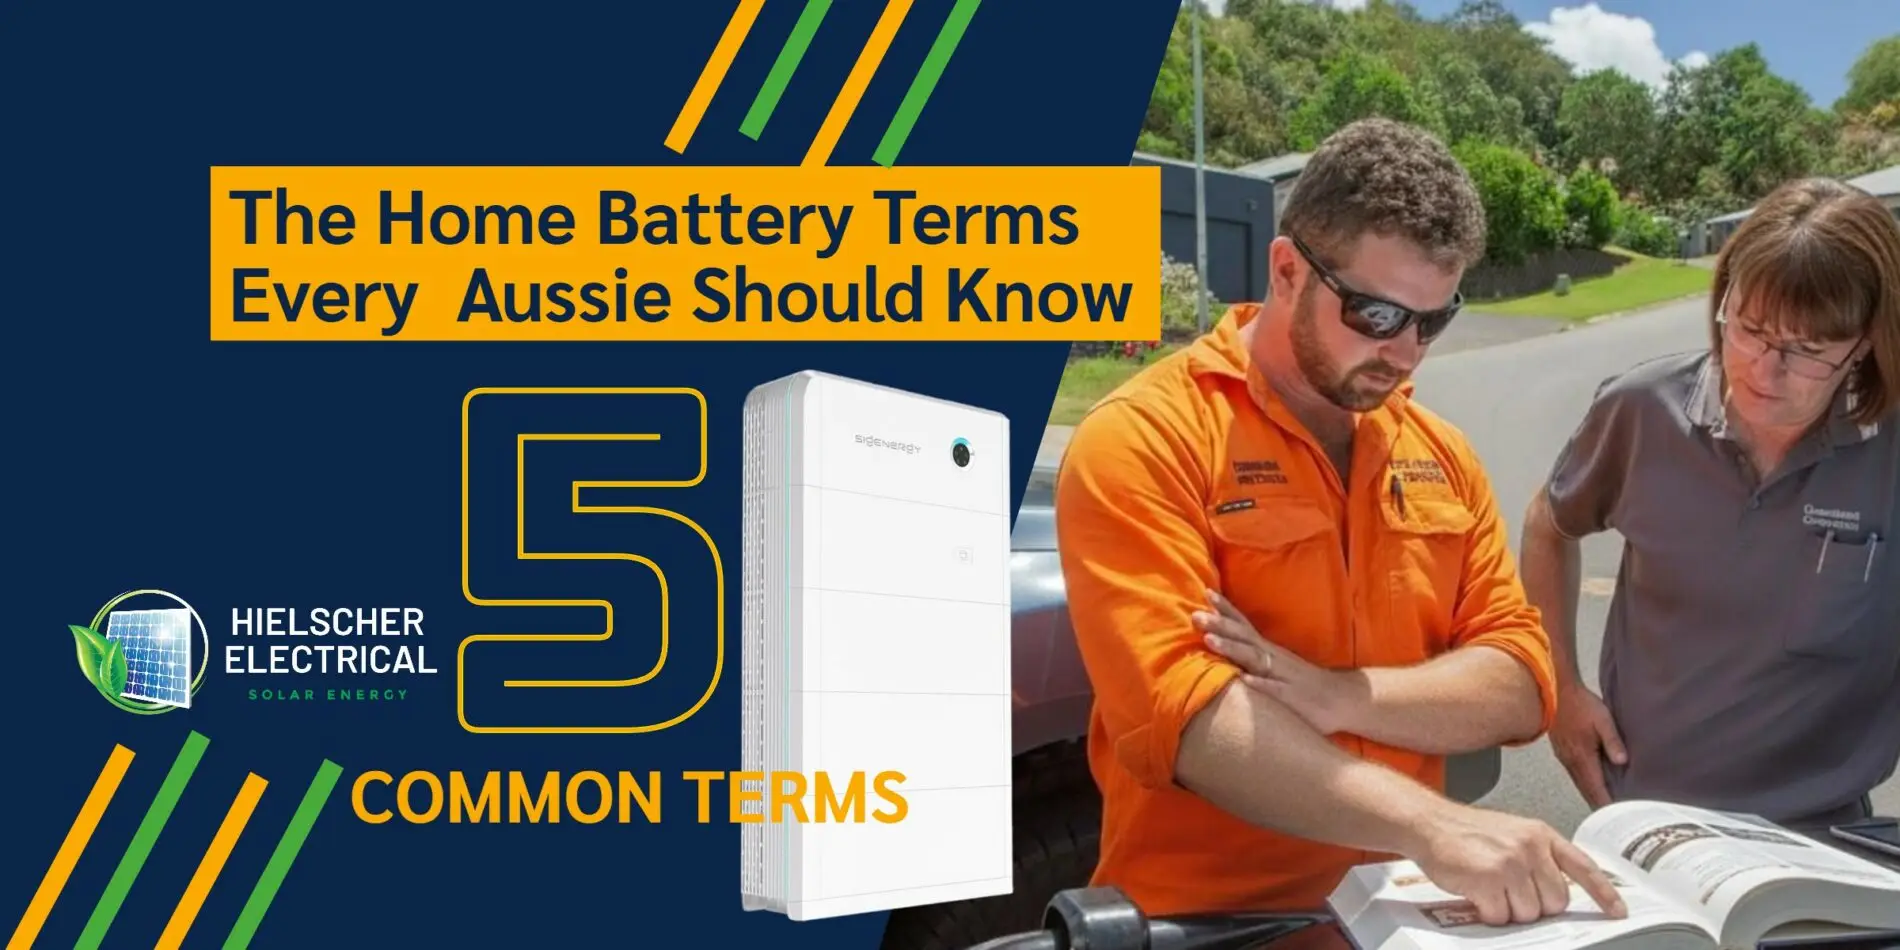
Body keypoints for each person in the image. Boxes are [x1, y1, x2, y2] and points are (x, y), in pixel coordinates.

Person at [1053, 116, 1626, 929]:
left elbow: (1522, 682)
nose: (1406, 352)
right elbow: (1190, 718)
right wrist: (1432, 825)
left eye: (1433, 321)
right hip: (1213, 928)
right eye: (1377, 315)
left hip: (1405, 922)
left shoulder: (1439, 452)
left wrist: (1339, 697)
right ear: (1288, 270)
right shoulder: (1147, 437)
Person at [1520, 176, 1900, 834]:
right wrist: (1561, 694)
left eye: (1807, 350)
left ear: (1865, 342)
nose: (1762, 370)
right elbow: (1547, 525)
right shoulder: (1642, 409)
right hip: (1645, 819)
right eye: (1748, 329)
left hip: (1825, 836)